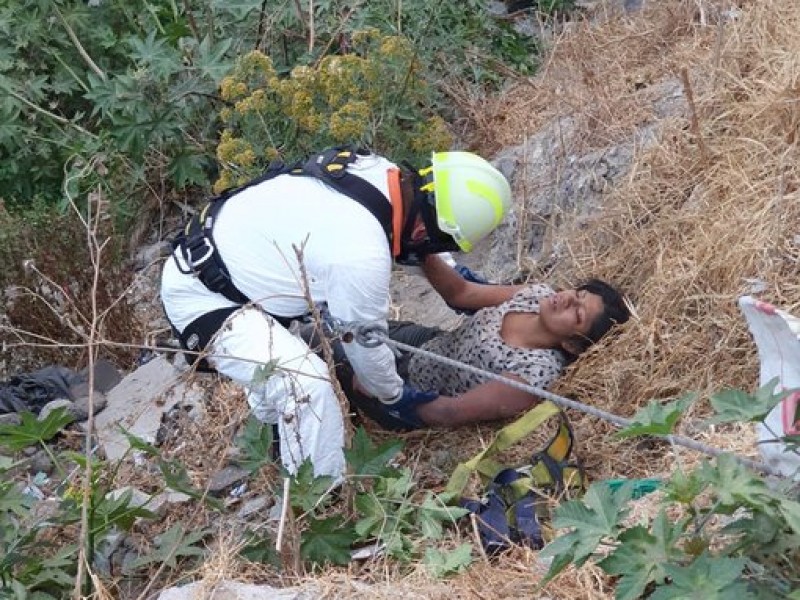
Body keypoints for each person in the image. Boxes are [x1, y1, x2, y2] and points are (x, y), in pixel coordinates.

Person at [160, 147, 512, 479]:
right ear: (425, 231)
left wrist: (515, 294)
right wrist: (395, 397)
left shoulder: (379, 174)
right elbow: (367, 354)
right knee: (305, 384)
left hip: (232, 261)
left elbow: (443, 273)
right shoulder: (359, 253)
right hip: (204, 297)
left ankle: (276, 441)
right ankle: (315, 502)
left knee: (279, 389)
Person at [330, 253, 631, 431]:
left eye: (577, 314)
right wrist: (421, 250)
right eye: (577, 294)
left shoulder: (534, 373)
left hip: (411, 395)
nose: (566, 299)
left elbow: (450, 412)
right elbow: (462, 293)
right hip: (425, 343)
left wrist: (386, 392)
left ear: (573, 345)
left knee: (320, 353)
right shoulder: (536, 295)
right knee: (339, 319)